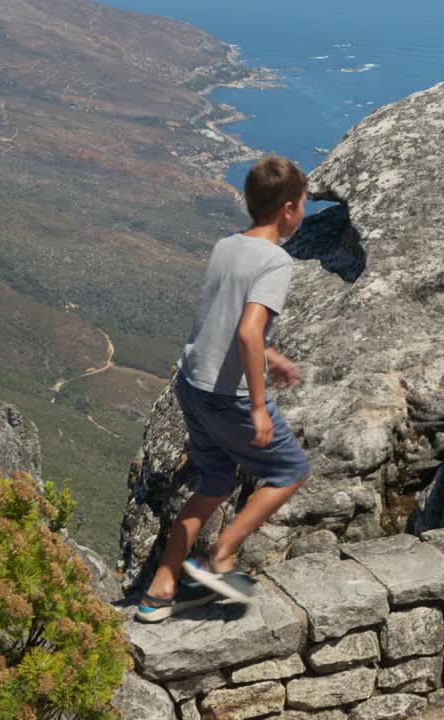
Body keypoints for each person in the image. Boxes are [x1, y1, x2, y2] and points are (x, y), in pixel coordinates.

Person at [135, 155, 313, 623]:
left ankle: (160, 589)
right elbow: (249, 332)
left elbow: (226, 319)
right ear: (290, 210)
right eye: (304, 207)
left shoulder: (226, 246)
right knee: (290, 470)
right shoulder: (276, 261)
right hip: (229, 396)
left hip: (192, 384)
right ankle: (221, 555)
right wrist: (258, 406)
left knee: (213, 483)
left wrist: (272, 358)